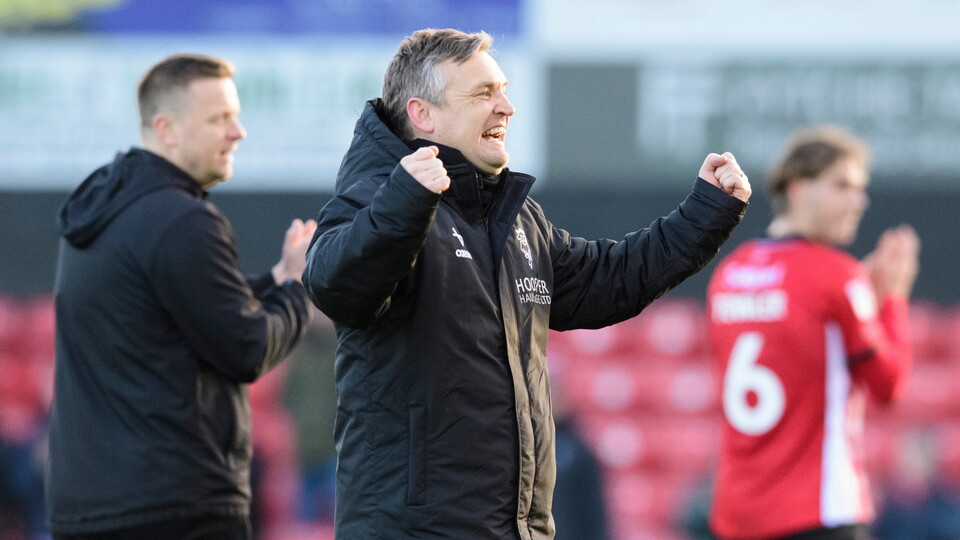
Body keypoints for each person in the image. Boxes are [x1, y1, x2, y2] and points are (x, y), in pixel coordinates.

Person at [302, 28, 751, 539]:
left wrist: (706, 211)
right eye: (483, 93)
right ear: (423, 114)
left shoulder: (512, 218)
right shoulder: (375, 196)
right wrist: (405, 201)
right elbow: (336, 286)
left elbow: (608, 279)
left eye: (504, 89)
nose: (507, 107)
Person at [46, 53, 316, 540]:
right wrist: (296, 287)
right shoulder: (183, 220)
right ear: (167, 128)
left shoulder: (102, 209)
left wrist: (276, 277)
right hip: (176, 510)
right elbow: (247, 348)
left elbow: (185, 314)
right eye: (220, 119)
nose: (239, 132)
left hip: (86, 510)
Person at [706, 126, 921, 540]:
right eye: (843, 186)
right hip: (818, 513)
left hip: (737, 516)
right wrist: (892, 299)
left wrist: (863, 303)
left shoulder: (730, 273)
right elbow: (889, 385)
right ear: (800, 189)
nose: (860, 201)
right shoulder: (837, 276)